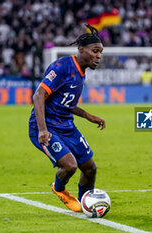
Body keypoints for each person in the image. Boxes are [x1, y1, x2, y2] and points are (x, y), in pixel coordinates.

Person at [29, 24, 106, 212]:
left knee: (90, 168)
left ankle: (86, 205)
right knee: (70, 166)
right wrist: (42, 130)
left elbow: (66, 104)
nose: (99, 56)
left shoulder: (81, 73)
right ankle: (59, 188)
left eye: (100, 52)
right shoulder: (63, 66)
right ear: (81, 50)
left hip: (66, 126)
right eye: (95, 51)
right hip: (46, 127)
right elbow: (38, 95)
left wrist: (88, 116)